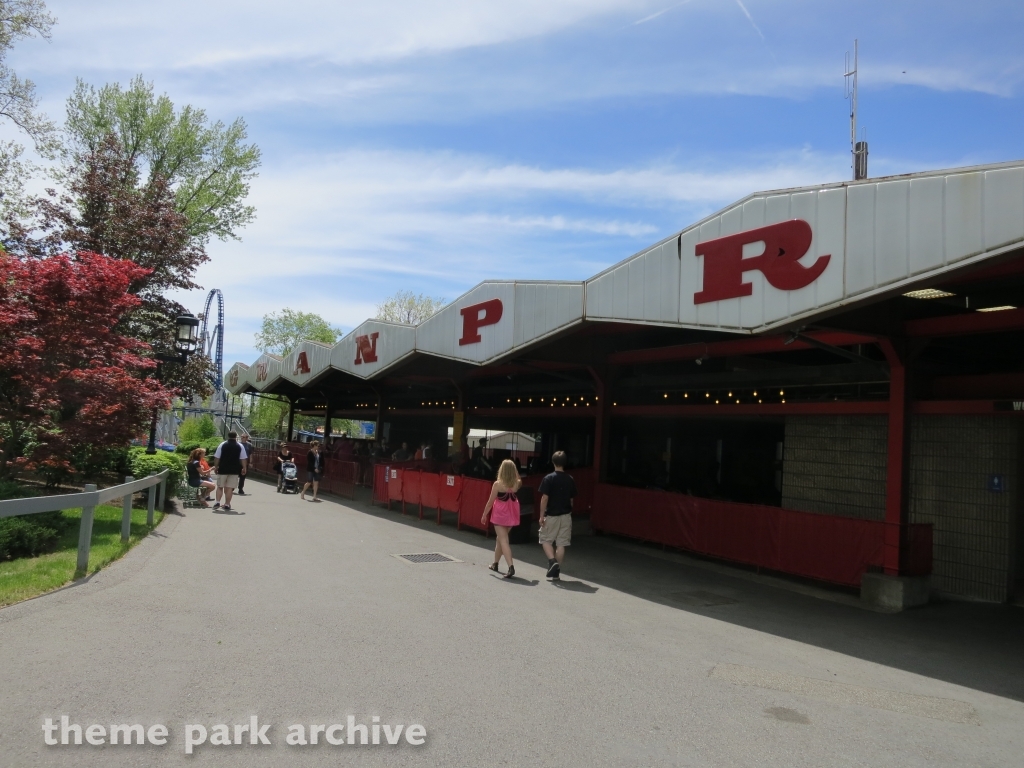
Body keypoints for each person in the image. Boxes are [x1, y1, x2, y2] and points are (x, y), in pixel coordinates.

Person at [538, 450, 576, 581]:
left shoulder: (549, 478)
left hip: (552, 515)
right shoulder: (570, 479)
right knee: (561, 543)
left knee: (545, 539)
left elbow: (544, 498)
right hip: (566, 515)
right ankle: (556, 573)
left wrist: (541, 515)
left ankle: (552, 561)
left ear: (553, 462)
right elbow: (571, 500)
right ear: (565, 463)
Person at [481, 459, 522, 579]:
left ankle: (511, 567)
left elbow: (490, 502)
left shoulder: (498, 484)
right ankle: (495, 563)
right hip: (511, 516)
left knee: (503, 540)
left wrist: (484, 514)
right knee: (500, 539)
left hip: (500, 516)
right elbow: (518, 478)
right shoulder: (517, 483)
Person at [212, 431, 248, 511]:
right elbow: (243, 458)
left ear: (228, 436)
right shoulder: (240, 446)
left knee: (220, 486)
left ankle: (217, 501)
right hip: (234, 470)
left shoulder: (222, 445)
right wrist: (244, 467)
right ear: (236, 437)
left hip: (223, 469)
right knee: (229, 488)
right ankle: (227, 504)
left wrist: (216, 467)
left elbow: (217, 457)